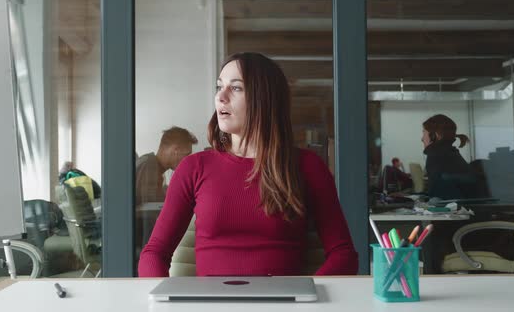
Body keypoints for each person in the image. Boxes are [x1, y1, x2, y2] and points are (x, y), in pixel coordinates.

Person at [138, 52, 358, 277]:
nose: (220, 97)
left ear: (264, 99)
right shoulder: (193, 168)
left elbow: (344, 254)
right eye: (219, 86)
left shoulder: (308, 167)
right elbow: (154, 253)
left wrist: (310, 295)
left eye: (235, 88)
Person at [135, 126, 198, 250]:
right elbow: (152, 208)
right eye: (186, 155)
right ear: (175, 150)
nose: (187, 161)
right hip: (142, 243)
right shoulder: (150, 166)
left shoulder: (151, 163)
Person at [421, 114, 474, 199]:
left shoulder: (435, 155)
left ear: (435, 135)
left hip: (455, 208)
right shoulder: (451, 153)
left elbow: (436, 196)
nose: (422, 139)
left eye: (424, 133)